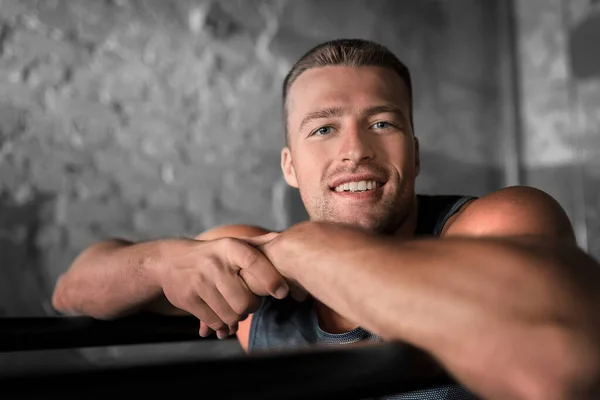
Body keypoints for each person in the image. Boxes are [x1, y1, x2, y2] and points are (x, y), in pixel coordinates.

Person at [51, 39, 600, 400]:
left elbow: (559, 356)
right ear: (289, 165)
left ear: (415, 150)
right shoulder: (248, 262)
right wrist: (162, 261)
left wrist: (308, 248)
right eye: (322, 129)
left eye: (382, 123)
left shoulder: (495, 222)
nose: (355, 150)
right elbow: (73, 290)